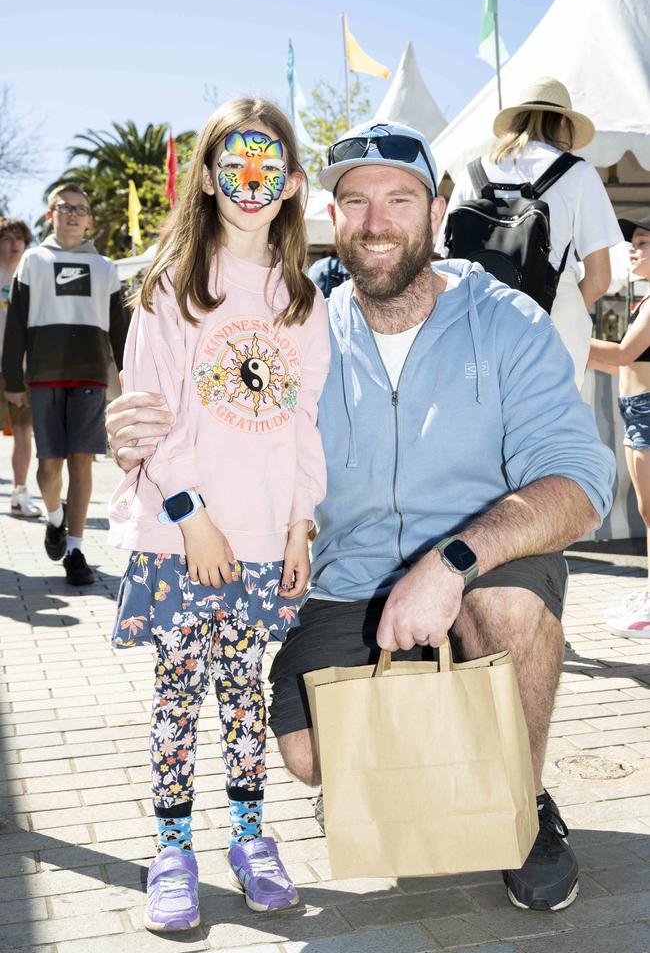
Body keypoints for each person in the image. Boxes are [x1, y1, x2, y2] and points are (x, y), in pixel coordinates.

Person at [106, 120, 615, 914]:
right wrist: (137, 437)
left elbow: (583, 482)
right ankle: (423, 719)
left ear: (439, 208)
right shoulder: (300, 320)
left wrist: (451, 564)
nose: (377, 223)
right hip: (347, 582)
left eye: (401, 200)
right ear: (328, 213)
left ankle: (523, 802)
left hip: (480, 569)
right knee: (309, 754)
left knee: (510, 609)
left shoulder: (509, 321)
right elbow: (207, 409)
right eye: (356, 202)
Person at [107, 98, 330, 931]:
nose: (249, 182)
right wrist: (193, 517)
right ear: (206, 176)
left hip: (265, 540)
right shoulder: (171, 287)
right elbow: (147, 414)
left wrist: (302, 523)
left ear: (293, 185)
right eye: (233, 165)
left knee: (244, 699)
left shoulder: (303, 300)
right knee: (178, 700)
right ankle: (172, 850)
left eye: (266, 168)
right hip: (184, 539)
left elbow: (305, 423)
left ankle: (248, 837)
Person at [438, 77, 622, 389]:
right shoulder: (577, 173)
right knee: (550, 428)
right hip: (554, 313)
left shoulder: (472, 172)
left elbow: (445, 260)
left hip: (479, 316)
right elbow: (599, 278)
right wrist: (549, 302)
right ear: (563, 122)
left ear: (515, 121)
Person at [2, 183, 128, 585]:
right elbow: (16, 325)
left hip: (91, 374)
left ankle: (75, 550)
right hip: (43, 374)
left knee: (82, 461)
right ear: (50, 214)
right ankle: (54, 518)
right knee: (48, 466)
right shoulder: (33, 262)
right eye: (64, 207)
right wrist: (12, 379)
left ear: (89, 219)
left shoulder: (107, 267)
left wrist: (130, 379)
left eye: (80, 208)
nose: (72, 213)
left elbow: (121, 334)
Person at [589, 216, 650, 637]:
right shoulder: (645, 300)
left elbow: (626, 353)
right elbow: (623, 364)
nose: (633, 249)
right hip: (635, 409)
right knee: (647, 512)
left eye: (643, 243)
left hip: (645, 411)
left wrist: (566, 335)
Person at [0, 218, 41, 517]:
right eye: (7, 238)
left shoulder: (31, 281)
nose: (14, 244)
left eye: (20, 238)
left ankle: (19, 493)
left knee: (24, 433)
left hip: (22, 371)